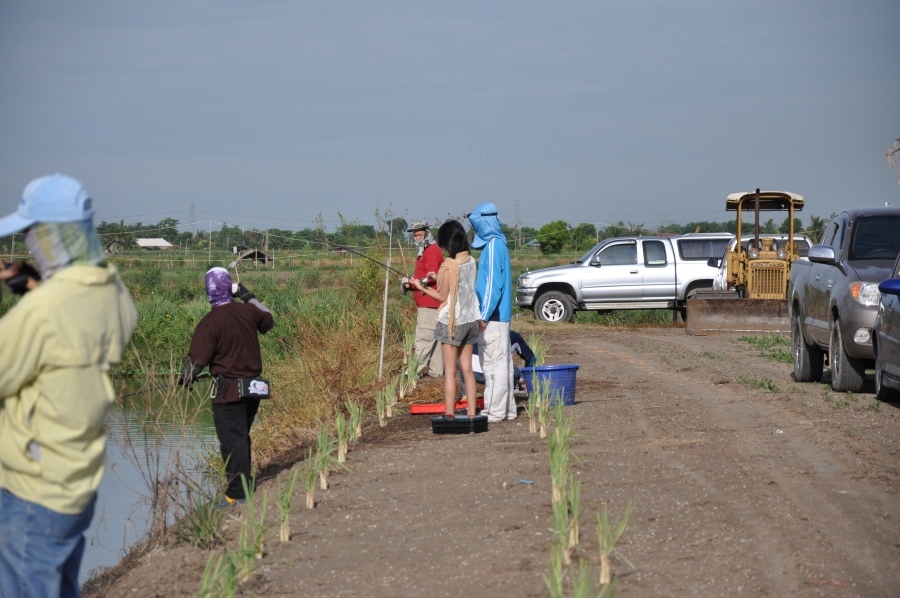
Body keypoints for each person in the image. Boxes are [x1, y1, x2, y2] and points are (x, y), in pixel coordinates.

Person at [0, 173, 137, 597]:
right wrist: (35, 287)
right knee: (56, 585)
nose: (28, 245)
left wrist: (34, 299)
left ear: (49, 237)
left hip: (32, 488)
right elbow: (67, 332)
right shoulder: (114, 295)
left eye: (30, 234)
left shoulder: (42, 312)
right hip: (77, 478)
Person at [179, 268, 274, 507]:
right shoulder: (249, 311)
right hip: (254, 390)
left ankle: (236, 495)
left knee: (232, 442)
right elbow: (269, 320)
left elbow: (197, 362)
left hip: (229, 392)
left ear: (208, 291)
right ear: (229, 287)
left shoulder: (210, 322)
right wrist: (247, 295)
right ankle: (244, 486)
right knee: (240, 438)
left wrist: (186, 376)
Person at [409, 220, 480, 418]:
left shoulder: (448, 267)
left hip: (451, 323)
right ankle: (472, 413)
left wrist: (420, 286)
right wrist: (436, 274)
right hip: (470, 321)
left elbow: (442, 296)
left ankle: (449, 414)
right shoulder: (470, 261)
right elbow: (461, 286)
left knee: (449, 371)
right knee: (467, 370)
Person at [468, 202, 516, 423]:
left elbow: (491, 287)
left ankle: (495, 412)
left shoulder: (494, 246)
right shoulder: (498, 244)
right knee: (502, 363)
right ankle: (506, 410)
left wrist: (483, 316)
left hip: (493, 317)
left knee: (493, 365)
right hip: (499, 316)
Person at [402, 219, 444, 378]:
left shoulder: (432, 251)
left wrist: (415, 284)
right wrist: (410, 284)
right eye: (415, 235)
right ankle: (436, 374)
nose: (417, 238)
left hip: (429, 304)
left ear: (427, 233)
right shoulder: (425, 251)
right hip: (433, 303)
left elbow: (431, 277)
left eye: (420, 234)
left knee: (424, 339)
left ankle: (411, 373)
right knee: (436, 340)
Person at [460, 330, 536, 390]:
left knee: (462, 364)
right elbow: (531, 358)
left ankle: (467, 398)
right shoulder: (512, 335)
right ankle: (509, 393)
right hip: (497, 375)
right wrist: (524, 378)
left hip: (471, 374)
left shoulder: (474, 333)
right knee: (513, 368)